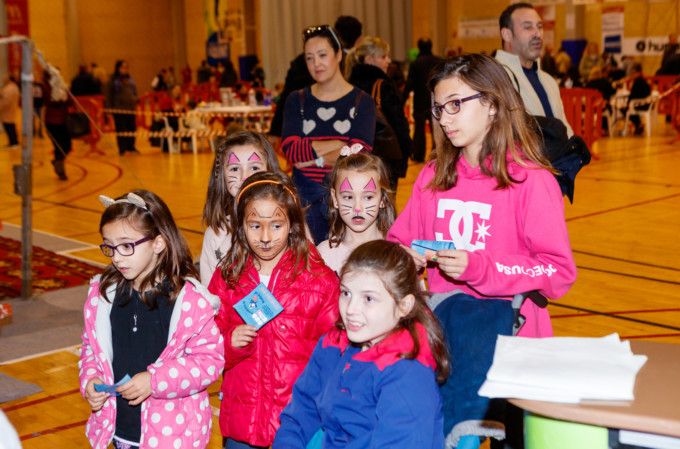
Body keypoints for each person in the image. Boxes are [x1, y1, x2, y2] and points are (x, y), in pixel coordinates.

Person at [387, 54, 577, 446]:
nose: (445, 118)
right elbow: (398, 243)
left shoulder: (530, 180)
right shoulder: (433, 177)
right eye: (439, 108)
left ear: (491, 103)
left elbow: (558, 271)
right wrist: (405, 258)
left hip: (515, 349)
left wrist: (481, 268)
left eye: (456, 104)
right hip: (450, 342)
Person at [79, 189, 225, 449]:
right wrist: (91, 379)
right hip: (119, 430)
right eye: (109, 247)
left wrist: (155, 381)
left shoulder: (189, 302)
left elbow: (208, 362)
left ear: (158, 243)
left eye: (127, 246)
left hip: (173, 437)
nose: (117, 257)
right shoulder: (103, 297)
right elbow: (91, 347)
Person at [273, 240, 449, 449]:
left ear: (404, 306)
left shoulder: (408, 372)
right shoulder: (333, 344)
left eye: (368, 299)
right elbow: (301, 412)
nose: (350, 309)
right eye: (346, 293)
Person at [208, 171, 339, 449]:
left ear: (292, 224)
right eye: (255, 226)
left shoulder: (319, 280)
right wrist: (229, 342)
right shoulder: (228, 278)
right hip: (243, 423)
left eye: (276, 225)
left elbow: (335, 352)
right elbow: (204, 346)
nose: (266, 237)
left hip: (298, 423)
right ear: (241, 226)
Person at [281, 24, 376, 244]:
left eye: (322, 55)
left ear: (339, 54)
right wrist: (338, 144)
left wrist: (313, 159)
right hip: (304, 198)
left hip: (348, 196)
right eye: (309, 58)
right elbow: (291, 149)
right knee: (309, 258)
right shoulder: (297, 100)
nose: (316, 63)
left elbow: (358, 152)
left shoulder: (362, 102)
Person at [200, 131, 283, 285]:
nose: (245, 177)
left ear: (270, 171)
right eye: (234, 169)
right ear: (222, 176)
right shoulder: (216, 235)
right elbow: (208, 291)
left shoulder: (286, 227)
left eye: (254, 168)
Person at [495, 3, 573, 136]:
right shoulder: (494, 79)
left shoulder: (549, 81)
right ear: (507, 34)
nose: (538, 33)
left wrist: (575, 148)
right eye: (528, 27)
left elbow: (565, 130)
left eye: (540, 26)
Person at [346, 36, 414, 189]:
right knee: (385, 198)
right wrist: (407, 147)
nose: (388, 61)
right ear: (370, 59)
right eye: (383, 57)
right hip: (384, 158)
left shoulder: (347, 85)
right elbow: (398, 122)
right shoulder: (383, 85)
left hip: (355, 156)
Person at [317, 152, 395, 274]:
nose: (357, 208)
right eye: (348, 197)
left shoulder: (396, 253)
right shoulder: (324, 255)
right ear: (335, 198)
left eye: (368, 197)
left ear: (383, 199)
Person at [405, 38, 443, 162]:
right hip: (436, 101)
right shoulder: (439, 61)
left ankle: (418, 155)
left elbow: (409, 84)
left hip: (420, 102)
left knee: (419, 131)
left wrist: (402, 99)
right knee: (437, 129)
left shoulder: (415, 63)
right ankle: (438, 154)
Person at [43, 65, 73, 180]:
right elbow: (48, 101)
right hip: (52, 121)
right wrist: (60, 99)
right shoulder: (46, 87)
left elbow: (70, 101)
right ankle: (61, 170)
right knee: (58, 146)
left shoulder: (62, 86)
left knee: (68, 145)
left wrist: (66, 96)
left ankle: (57, 161)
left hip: (64, 120)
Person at [105, 60, 139, 155]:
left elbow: (134, 91)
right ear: (118, 68)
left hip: (130, 109)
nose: (125, 69)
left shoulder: (130, 79)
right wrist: (109, 109)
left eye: (126, 67)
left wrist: (135, 100)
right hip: (119, 109)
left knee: (131, 128)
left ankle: (131, 147)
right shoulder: (113, 80)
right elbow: (109, 95)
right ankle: (122, 148)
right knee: (121, 129)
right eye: (123, 67)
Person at [626, 63, 652, 136]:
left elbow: (633, 96)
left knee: (625, 109)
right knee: (629, 107)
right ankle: (638, 125)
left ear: (637, 73)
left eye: (633, 73)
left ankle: (638, 124)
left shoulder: (637, 82)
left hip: (640, 105)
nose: (632, 75)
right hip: (646, 104)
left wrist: (627, 103)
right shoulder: (644, 81)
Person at [0, 75, 20, 148]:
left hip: (7, 110)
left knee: (9, 127)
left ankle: (14, 142)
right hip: (10, 110)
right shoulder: (13, 87)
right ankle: (12, 142)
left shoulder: (9, 88)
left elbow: (5, 101)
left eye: (4, 79)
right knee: (10, 126)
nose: (3, 80)